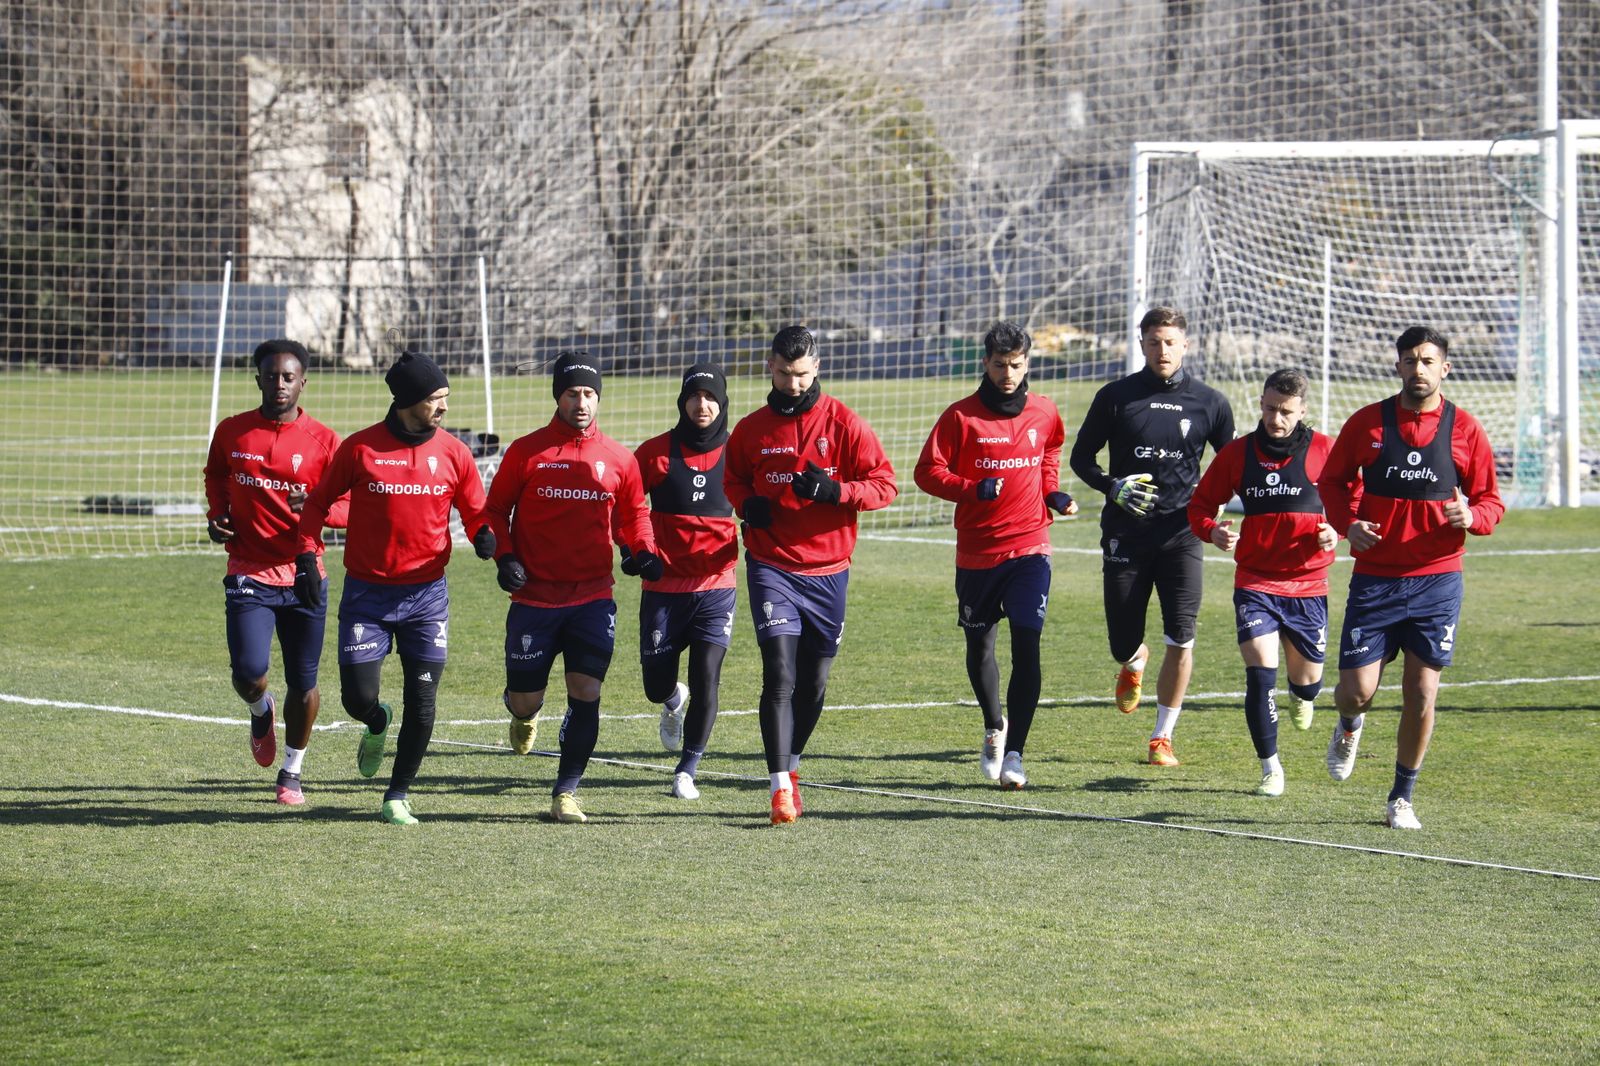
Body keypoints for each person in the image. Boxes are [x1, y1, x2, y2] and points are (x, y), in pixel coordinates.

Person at [294, 349, 497, 826]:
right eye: (435, 398)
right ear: (407, 401)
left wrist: (487, 537)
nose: (444, 406)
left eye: (446, 396)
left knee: (423, 703)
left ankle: (398, 794)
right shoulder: (360, 449)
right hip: (367, 596)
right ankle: (375, 720)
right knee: (356, 698)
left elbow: (476, 512)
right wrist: (307, 556)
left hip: (427, 598)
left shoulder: (454, 453)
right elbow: (317, 504)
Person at [1318, 326, 1503, 829]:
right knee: (1356, 692)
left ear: (1445, 368)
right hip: (1376, 579)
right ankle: (1349, 724)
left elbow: (1491, 501)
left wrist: (1473, 517)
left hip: (1436, 581)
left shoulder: (1466, 429)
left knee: (1422, 693)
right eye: (1410, 360)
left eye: (1427, 361)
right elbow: (1332, 481)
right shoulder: (1367, 423)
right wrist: (1348, 524)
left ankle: (1401, 797)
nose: (1418, 369)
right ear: (1397, 366)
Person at [724, 326, 897, 824]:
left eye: (801, 374)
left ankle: (793, 765)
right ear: (769, 367)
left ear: (816, 367)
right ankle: (779, 786)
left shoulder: (844, 423)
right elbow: (733, 479)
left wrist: (836, 492)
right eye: (783, 373)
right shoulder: (752, 429)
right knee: (780, 672)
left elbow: (885, 485)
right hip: (771, 565)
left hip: (829, 571)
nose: (793, 383)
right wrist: (747, 505)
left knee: (814, 684)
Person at [486, 352, 659, 825]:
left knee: (586, 691)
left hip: (592, 597)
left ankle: (566, 792)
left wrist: (642, 550)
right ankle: (522, 713)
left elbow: (634, 515)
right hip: (534, 599)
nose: (581, 403)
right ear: (557, 396)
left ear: (598, 398)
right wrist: (505, 557)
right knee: (527, 697)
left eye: (588, 394)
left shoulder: (619, 458)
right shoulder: (527, 452)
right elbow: (495, 511)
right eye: (571, 393)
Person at [1069, 306, 1235, 766]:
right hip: (1126, 535)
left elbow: (1233, 465)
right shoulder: (1115, 397)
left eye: (1171, 342)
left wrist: (1216, 505)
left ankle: (1162, 736)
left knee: (1182, 637)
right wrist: (1112, 487)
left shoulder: (1211, 402)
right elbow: (1081, 459)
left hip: (1183, 536)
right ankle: (1133, 660)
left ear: (1185, 345)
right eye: (1155, 342)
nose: (1163, 350)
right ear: (1141, 344)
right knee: (1122, 642)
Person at [914, 321, 1076, 790]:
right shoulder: (960, 417)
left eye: (1017, 365)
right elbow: (927, 472)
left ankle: (1016, 755)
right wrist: (970, 488)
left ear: (1027, 363)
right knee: (980, 647)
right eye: (1000, 365)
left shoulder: (1044, 411)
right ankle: (994, 726)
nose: (1008, 374)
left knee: (1028, 643)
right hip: (978, 554)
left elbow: (1050, 452)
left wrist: (1052, 493)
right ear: (985, 363)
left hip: (1030, 547)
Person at [203, 339, 348, 806]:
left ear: (303, 381)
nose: (280, 384)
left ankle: (292, 770)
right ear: (259, 379)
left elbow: (351, 504)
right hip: (249, 568)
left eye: (288, 377)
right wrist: (217, 514)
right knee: (249, 673)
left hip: (304, 572)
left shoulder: (325, 442)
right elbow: (216, 475)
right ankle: (259, 708)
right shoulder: (232, 432)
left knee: (304, 682)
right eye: (271, 376)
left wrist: (320, 509)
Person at [1187, 368, 1336, 797]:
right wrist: (1212, 531)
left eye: (1286, 411)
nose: (1276, 418)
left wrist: (1337, 530)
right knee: (1259, 673)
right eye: (1270, 409)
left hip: (1308, 584)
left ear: (1302, 410)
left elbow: (1355, 500)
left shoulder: (1325, 450)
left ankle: (1302, 694)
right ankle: (1271, 768)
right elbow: (1200, 505)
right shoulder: (1237, 454)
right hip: (1256, 582)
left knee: (1308, 682)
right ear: (1261, 404)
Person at [631, 363, 739, 800]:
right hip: (663, 588)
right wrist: (634, 550)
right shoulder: (654, 452)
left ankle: (687, 770)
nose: (702, 404)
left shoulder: (738, 452)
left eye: (711, 397)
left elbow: (762, 501)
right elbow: (626, 506)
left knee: (708, 677)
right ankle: (673, 700)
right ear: (683, 401)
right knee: (655, 685)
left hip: (717, 586)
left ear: (723, 402)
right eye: (695, 396)